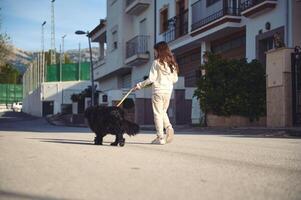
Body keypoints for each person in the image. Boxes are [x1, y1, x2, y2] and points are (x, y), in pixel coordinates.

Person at [133, 41, 179, 145]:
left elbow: (151, 79)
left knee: (158, 114)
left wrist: (139, 85)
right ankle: (168, 127)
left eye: (155, 51)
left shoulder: (156, 62)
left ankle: (160, 137)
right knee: (162, 112)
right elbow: (175, 79)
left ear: (159, 51)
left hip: (158, 91)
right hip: (168, 91)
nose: (154, 53)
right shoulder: (172, 63)